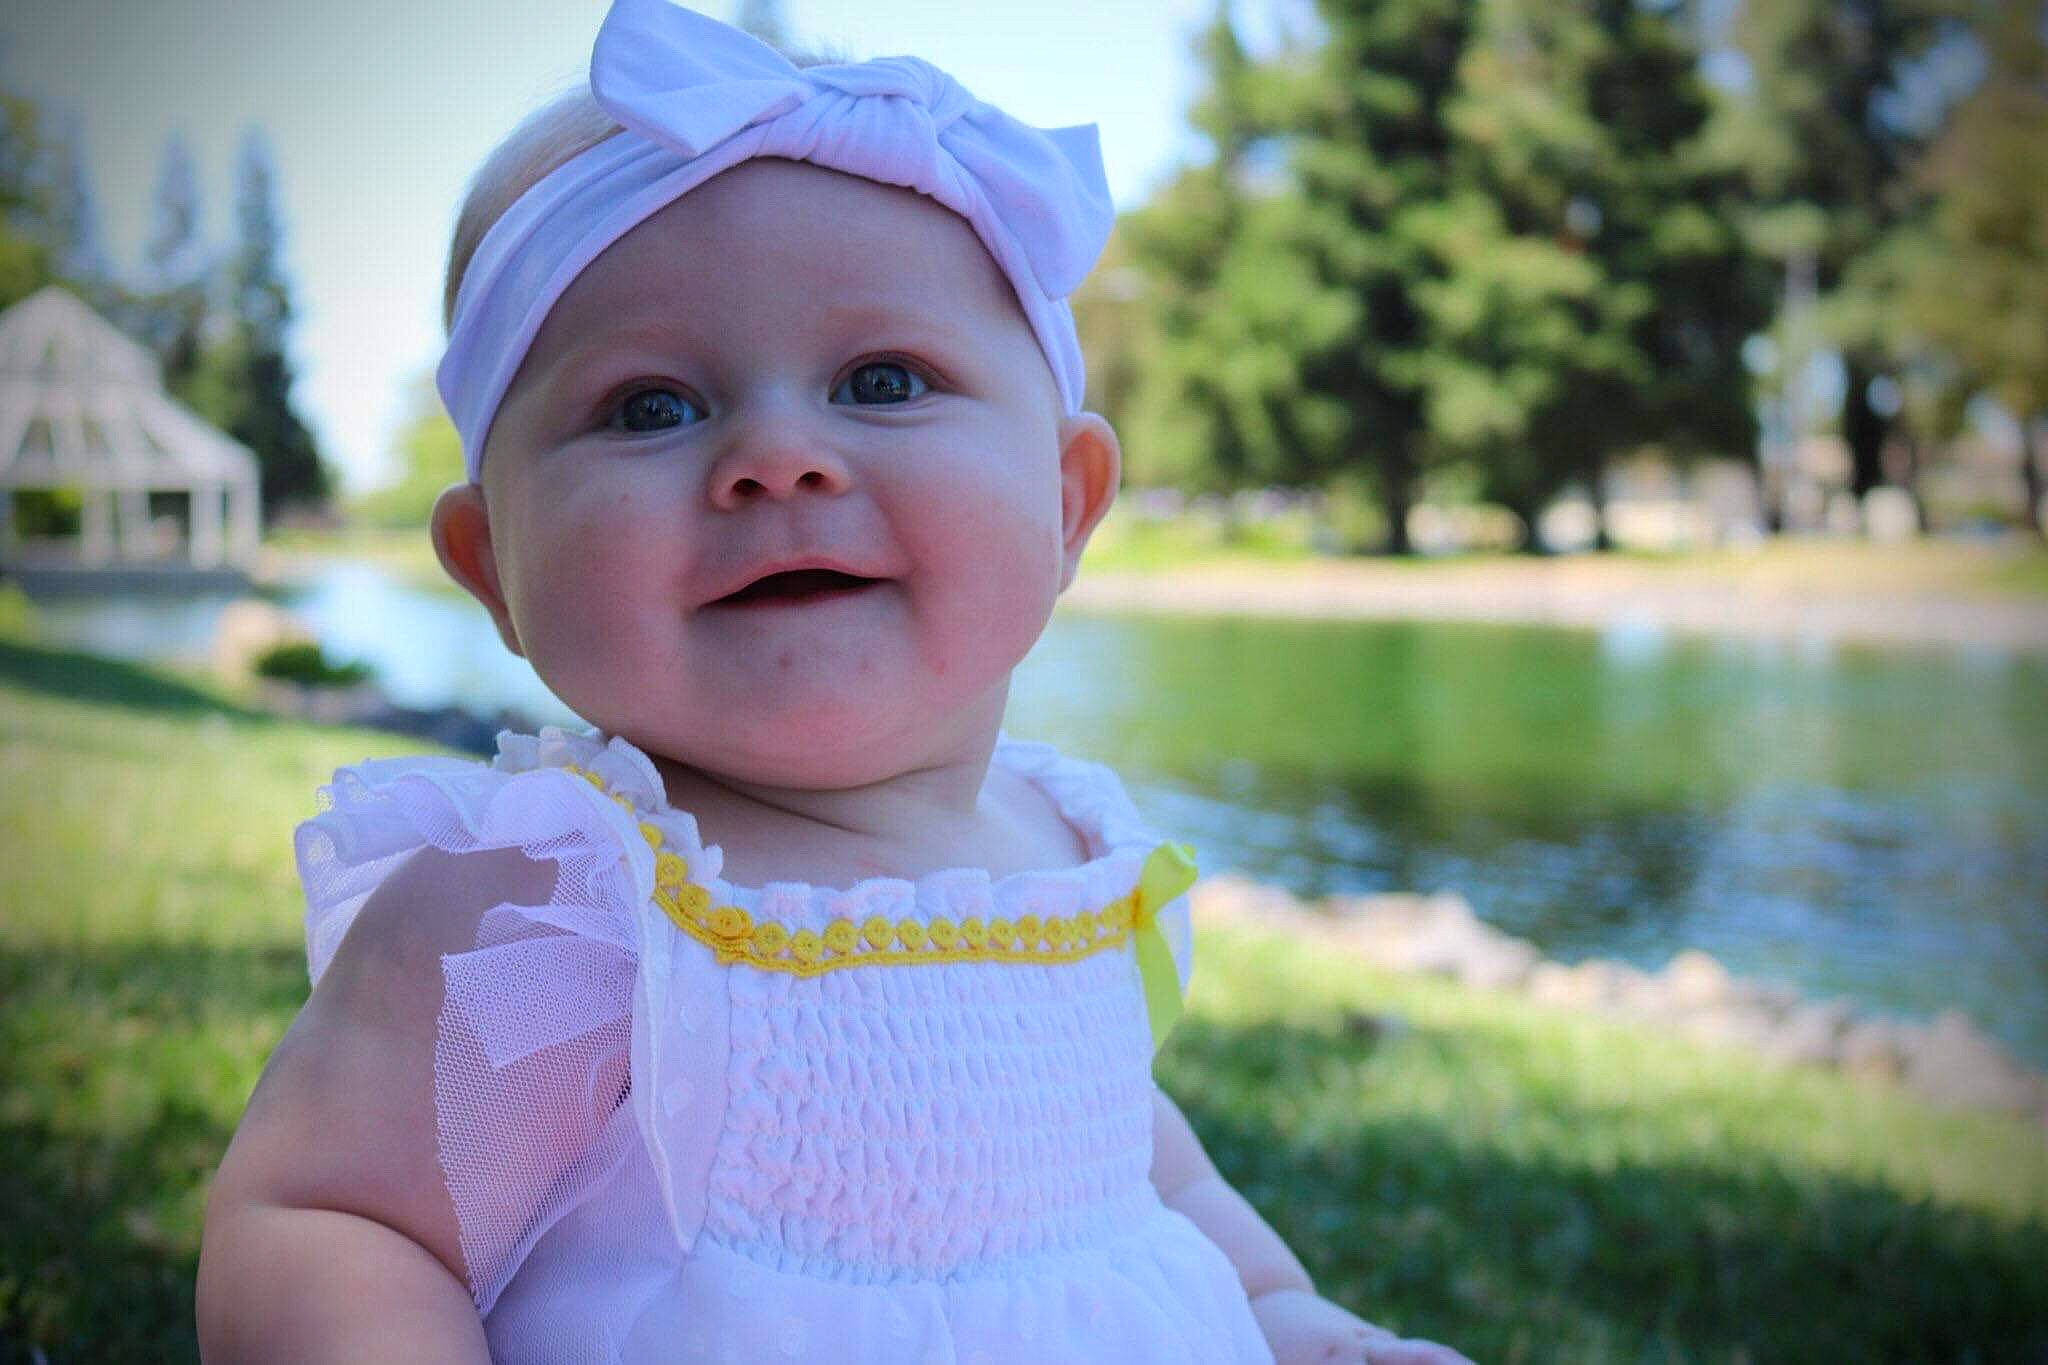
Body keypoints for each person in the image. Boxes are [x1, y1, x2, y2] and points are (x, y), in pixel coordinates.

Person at [197, 4, 1473, 1362]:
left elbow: (1144, 1164)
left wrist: (1284, 1313)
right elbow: (335, 1214)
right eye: (652, 405)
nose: (779, 454)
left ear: (1065, 501)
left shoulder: (1065, 850)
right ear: (492, 564)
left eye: (880, 379)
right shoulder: (567, 906)